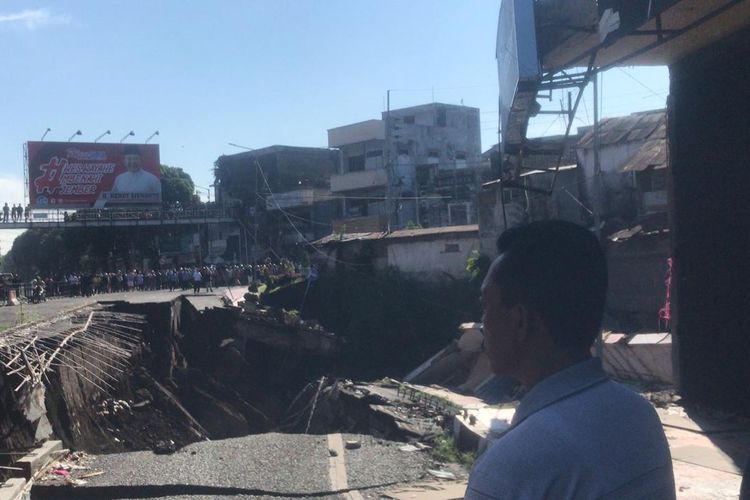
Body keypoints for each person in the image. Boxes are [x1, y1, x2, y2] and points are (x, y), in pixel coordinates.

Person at [465, 220, 675, 500]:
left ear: (520, 321)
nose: (483, 323)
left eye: (486, 306)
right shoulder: (640, 416)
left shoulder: (509, 470)